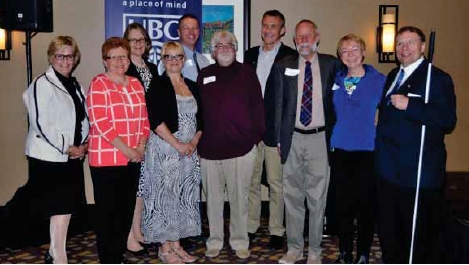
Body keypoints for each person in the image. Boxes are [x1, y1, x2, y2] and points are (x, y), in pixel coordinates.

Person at [375, 26, 457, 264]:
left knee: (417, 240)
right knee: (391, 234)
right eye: (399, 43)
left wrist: (410, 106)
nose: (404, 48)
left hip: (417, 173)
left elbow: (447, 120)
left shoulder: (438, 78)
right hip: (389, 171)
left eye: (410, 43)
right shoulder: (392, 76)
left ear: (422, 46)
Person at [271, 19, 340, 264]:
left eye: (308, 35)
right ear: (294, 40)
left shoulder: (332, 64)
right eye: (299, 37)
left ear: (317, 37)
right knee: (292, 197)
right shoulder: (284, 65)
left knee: (317, 198)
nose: (303, 40)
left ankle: (315, 251)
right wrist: (279, 138)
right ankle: (294, 248)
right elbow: (278, 104)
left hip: (320, 139)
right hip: (293, 138)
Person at [197, 31, 265, 260]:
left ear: (235, 49)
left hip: (241, 150)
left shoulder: (247, 73)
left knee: (239, 200)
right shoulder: (204, 74)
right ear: (213, 51)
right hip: (209, 150)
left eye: (229, 45)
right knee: (213, 201)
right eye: (219, 45)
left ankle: (239, 241)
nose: (224, 48)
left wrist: (253, 140)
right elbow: (198, 112)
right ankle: (215, 240)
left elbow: (258, 109)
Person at [22, 35, 89, 264]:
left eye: (70, 55)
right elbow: (41, 123)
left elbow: (83, 119)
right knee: (58, 206)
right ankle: (60, 257)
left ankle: (54, 251)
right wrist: (67, 147)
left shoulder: (75, 85)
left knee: (66, 207)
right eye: (60, 55)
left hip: (71, 157)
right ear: (52, 57)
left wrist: (84, 145)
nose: (65, 60)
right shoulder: (41, 84)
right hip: (49, 157)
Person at [86, 37, 150, 264]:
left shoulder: (135, 83)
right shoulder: (98, 84)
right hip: (107, 161)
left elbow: (144, 119)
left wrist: (140, 147)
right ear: (105, 60)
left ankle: (117, 256)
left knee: (125, 212)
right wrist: (129, 151)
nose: (120, 61)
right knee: (107, 215)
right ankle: (108, 259)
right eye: (114, 57)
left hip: (132, 160)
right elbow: (101, 123)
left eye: (123, 56)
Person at [140, 41, 203, 264]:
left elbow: (201, 119)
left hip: (189, 153)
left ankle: (177, 245)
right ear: (163, 59)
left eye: (178, 56)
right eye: (169, 57)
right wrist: (178, 144)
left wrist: (193, 142)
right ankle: (165, 248)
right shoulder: (157, 85)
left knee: (182, 198)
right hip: (166, 150)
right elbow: (155, 120)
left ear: (184, 59)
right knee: (165, 197)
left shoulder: (193, 85)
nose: (174, 61)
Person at [330, 34, 385, 264]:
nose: (350, 54)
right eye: (344, 50)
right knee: (343, 204)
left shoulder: (379, 80)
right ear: (340, 56)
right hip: (340, 148)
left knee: (365, 205)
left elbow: (392, 112)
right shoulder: (337, 80)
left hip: (367, 150)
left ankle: (363, 253)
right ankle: (344, 253)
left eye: (354, 49)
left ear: (363, 52)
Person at [244, 9, 296, 249]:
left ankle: (277, 229)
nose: (268, 30)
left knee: (276, 183)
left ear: (282, 30)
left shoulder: (291, 56)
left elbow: (291, 99)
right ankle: (250, 226)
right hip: (252, 131)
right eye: (265, 25)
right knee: (251, 182)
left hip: (275, 132)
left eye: (273, 26)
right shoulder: (249, 55)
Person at [122, 22, 159, 256]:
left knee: (143, 187)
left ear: (147, 43)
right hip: (132, 134)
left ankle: (138, 229)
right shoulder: (123, 68)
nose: (137, 44)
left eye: (141, 40)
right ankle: (129, 234)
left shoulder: (153, 68)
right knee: (131, 187)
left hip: (151, 132)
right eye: (133, 40)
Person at [158, 14, 210, 82]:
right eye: (186, 28)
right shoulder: (170, 59)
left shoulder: (204, 60)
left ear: (199, 32)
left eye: (195, 28)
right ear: (179, 32)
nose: (191, 32)